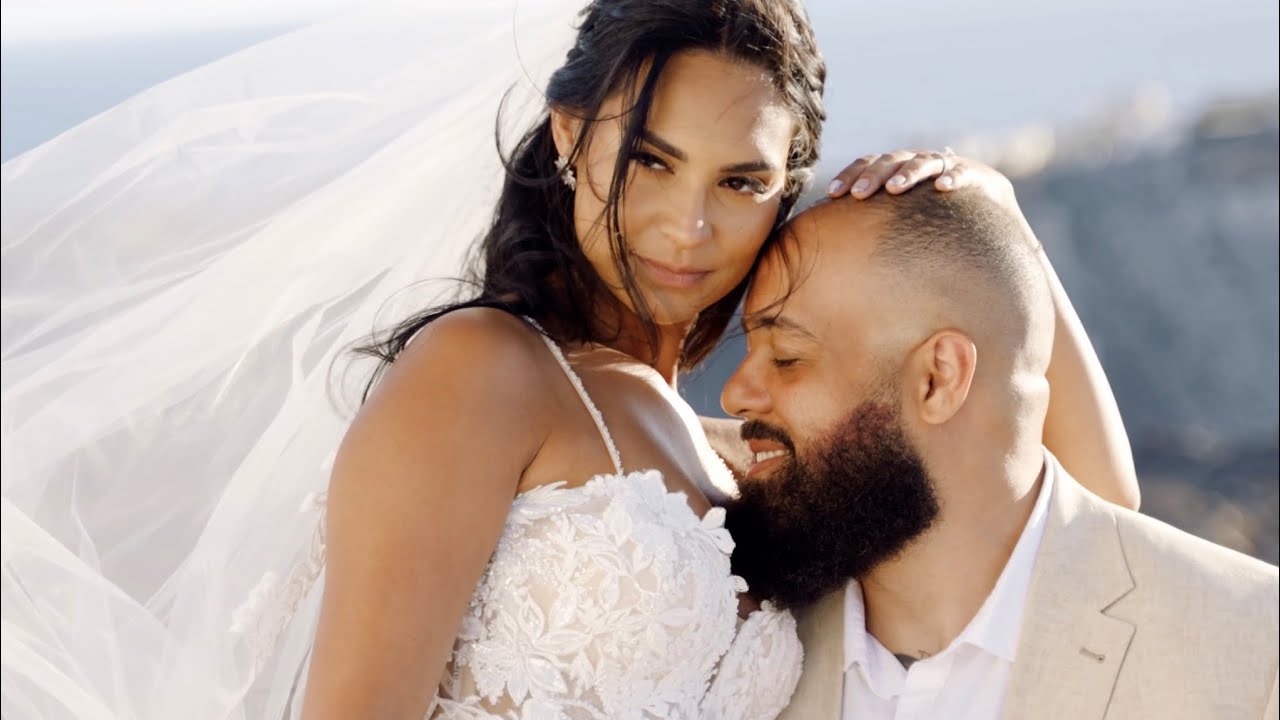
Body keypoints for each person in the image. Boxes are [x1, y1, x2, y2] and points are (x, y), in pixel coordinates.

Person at [0, 3, 1138, 720]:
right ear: (566, 135)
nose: (689, 226)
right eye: (649, 161)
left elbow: (1093, 527)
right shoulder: (483, 374)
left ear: (783, 189)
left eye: (741, 182)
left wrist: (1001, 235)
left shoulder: (734, 454)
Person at [719, 173, 1280, 719]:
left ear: (938, 377)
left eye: (787, 357)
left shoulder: (1255, 650)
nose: (734, 394)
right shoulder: (737, 646)